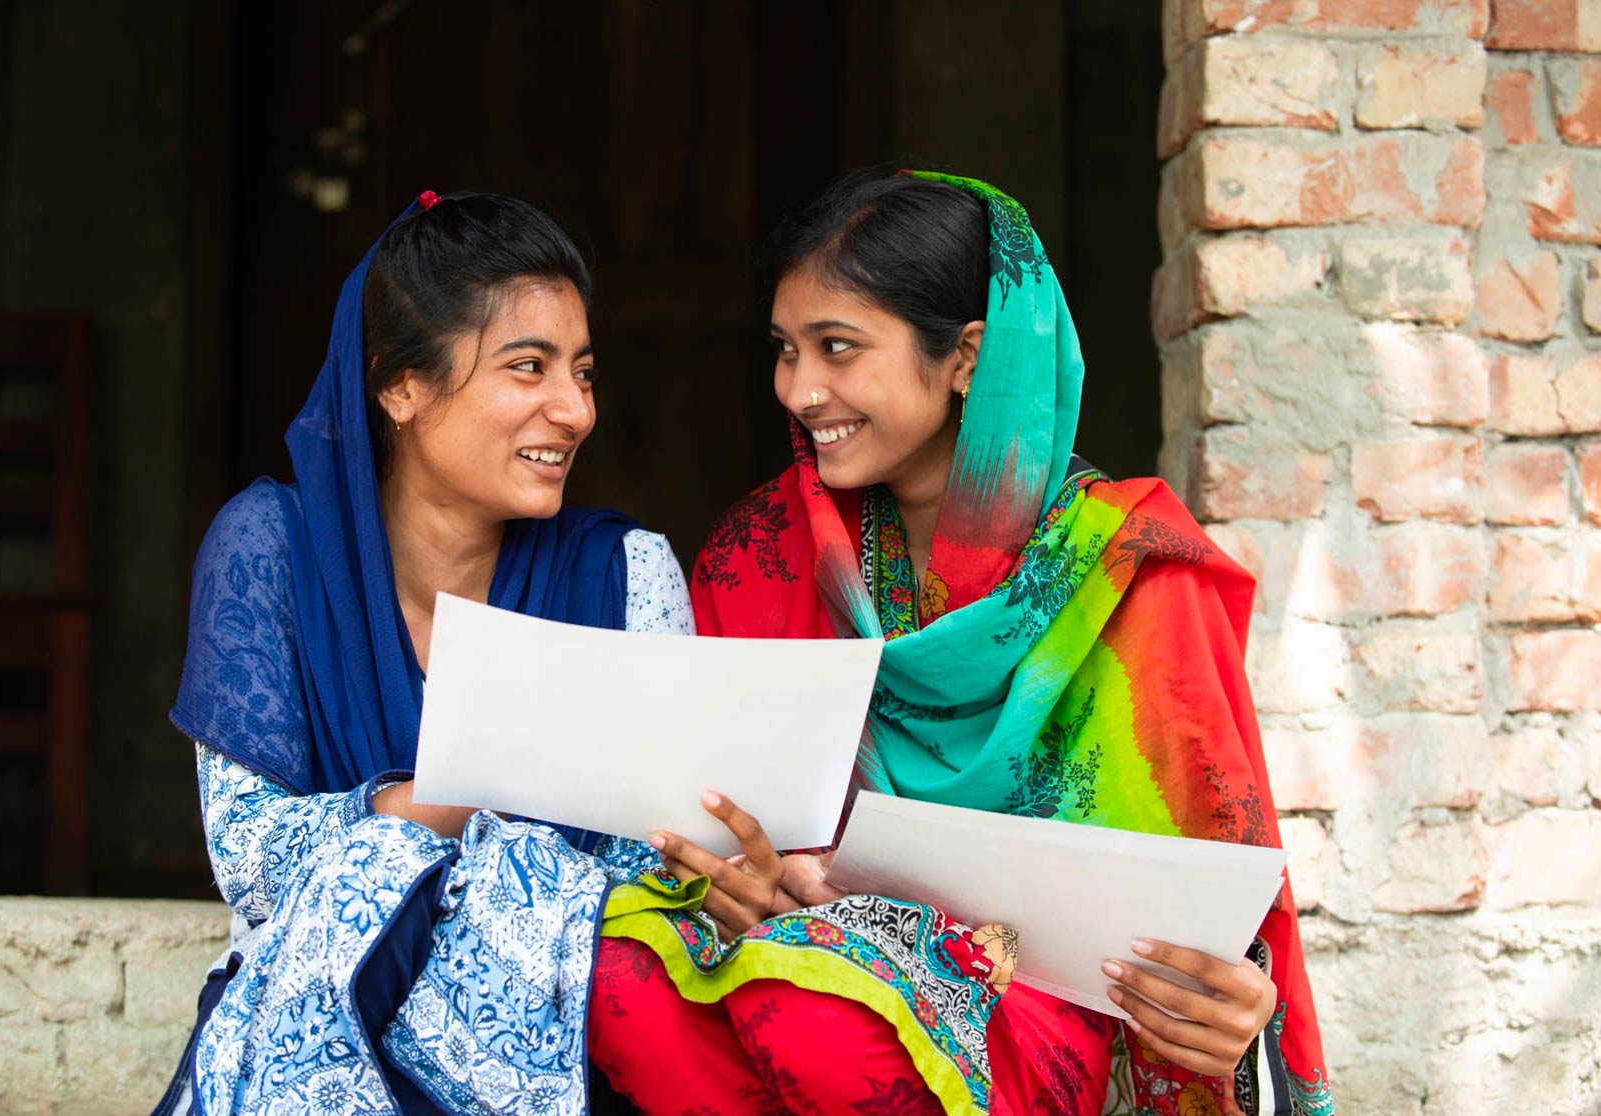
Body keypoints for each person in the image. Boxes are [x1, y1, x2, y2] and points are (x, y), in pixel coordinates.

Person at [588, 171, 1334, 1116]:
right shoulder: (758, 556)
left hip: (1043, 1015)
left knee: (815, 1005)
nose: (801, 389)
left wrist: (1229, 1011)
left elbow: (1215, 907)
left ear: (967, 357)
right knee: (618, 972)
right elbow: (713, 837)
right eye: (784, 349)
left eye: (839, 348)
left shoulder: (1127, 577)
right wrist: (733, 887)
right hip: (784, 979)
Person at [154, 191, 696, 1116]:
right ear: (399, 386)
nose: (574, 411)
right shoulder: (270, 552)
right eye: (529, 367)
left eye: (584, 373)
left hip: (559, 1043)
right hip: (324, 1011)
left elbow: (653, 872)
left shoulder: (626, 574)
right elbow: (249, 857)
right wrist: (446, 800)